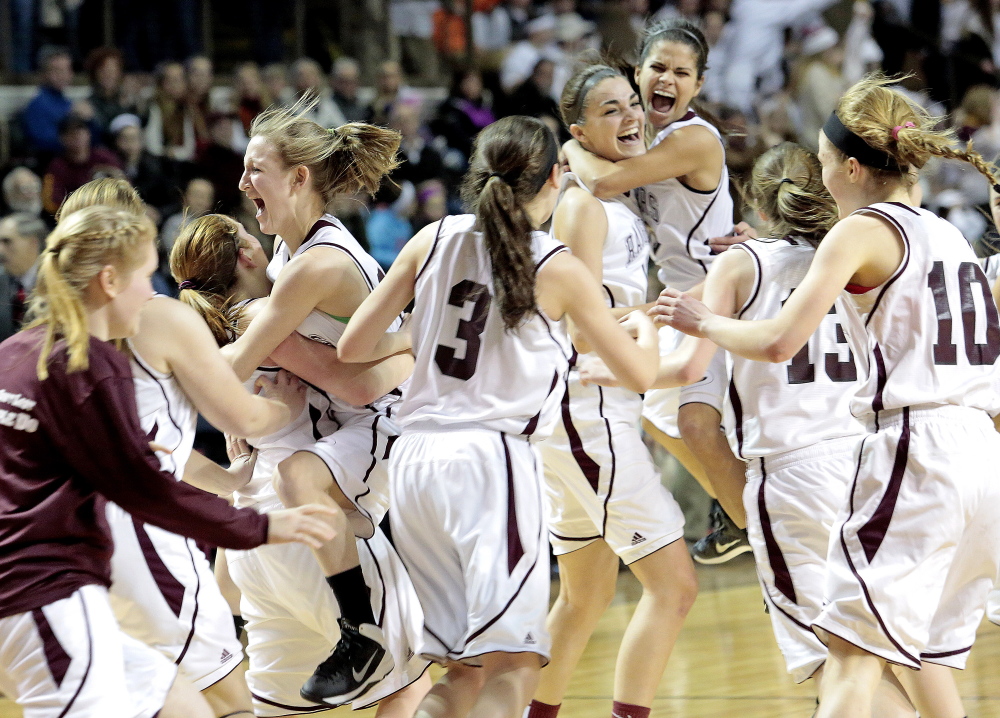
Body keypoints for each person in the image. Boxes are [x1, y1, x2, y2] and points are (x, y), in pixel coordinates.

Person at [653, 74, 1000, 718]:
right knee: (916, 659)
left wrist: (705, 322)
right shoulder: (947, 234)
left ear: (848, 165)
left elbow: (780, 341)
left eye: (821, 161)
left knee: (845, 655)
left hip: (916, 449)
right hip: (981, 454)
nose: (821, 176)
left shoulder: (862, 230)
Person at [337, 114, 660, 718]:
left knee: (461, 672)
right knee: (512, 667)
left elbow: (353, 345)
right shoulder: (556, 263)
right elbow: (639, 375)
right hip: (489, 463)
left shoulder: (432, 237)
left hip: (413, 464)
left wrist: (420, 332)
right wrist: (642, 323)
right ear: (555, 178)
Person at [0, 205, 336, 718]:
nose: (152, 289)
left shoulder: (13, 354)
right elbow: (153, 490)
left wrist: (116, 450)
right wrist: (264, 527)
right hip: (42, 593)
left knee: (182, 702)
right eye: (144, 275)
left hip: (50, 587)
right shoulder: (93, 369)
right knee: (226, 697)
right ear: (109, 280)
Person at [171, 212, 430, 717]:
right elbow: (357, 384)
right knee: (407, 683)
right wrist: (413, 340)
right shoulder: (265, 316)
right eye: (252, 237)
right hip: (310, 532)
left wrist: (228, 478)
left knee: (274, 709)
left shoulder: (210, 331)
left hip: (254, 543)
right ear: (246, 256)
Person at [226, 95, 410, 704]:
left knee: (298, 477)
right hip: (352, 417)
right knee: (294, 491)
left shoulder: (318, 263)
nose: (243, 181)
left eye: (256, 169)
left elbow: (240, 363)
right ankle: (367, 533)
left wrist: (149, 369)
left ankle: (360, 632)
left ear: (299, 177)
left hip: (393, 416)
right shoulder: (288, 251)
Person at [528, 66, 698, 718]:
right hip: (588, 411)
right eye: (609, 110)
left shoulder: (610, 194)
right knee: (674, 586)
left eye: (631, 105)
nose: (630, 116)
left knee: (585, 595)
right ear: (577, 132)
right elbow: (579, 325)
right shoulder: (583, 205)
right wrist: (640, 327)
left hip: (585, 414)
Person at [562, 19, 750, 564]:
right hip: (681, 294)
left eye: (681, 72)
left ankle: (757, 530)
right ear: (638, 74)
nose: (667, 79)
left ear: (699, 85)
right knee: (656, 411)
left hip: (717, 292)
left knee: (691, 419)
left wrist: (570, 143)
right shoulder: (637, 135)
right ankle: (732, 507)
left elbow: (598, 182)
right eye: (658, 68)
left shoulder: (691, 137)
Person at [0, 213, 47, 340]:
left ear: (33, 243)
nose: (1, 250)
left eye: (6, 241)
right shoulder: (2, 282)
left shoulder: (58, 281)